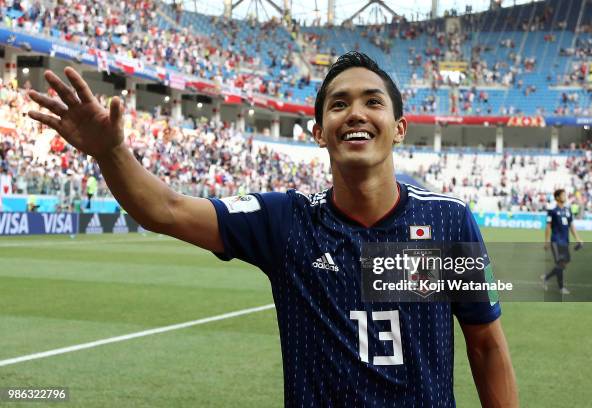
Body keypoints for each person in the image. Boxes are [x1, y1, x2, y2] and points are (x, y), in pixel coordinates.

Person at [27, 52, 518, 407]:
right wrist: (112, 153)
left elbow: (486, 343)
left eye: (373, 102)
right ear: (320, 132)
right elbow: (167, 208)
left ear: (399, 126)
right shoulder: (286, 220)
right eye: (339, 104)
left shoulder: (447, 220)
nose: (356, 114)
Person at [541, 189, 583, 295]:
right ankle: (561, 288)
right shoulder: (552, 211)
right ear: (557, 197)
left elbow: (571, 226)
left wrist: (578, 238)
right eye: (563, 195)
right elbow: (548, 226)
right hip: (555, 241)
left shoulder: (567, 210)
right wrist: (546, 241)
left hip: (565, 241)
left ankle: (546, 277)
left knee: (564, 263)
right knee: (560, 263)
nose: (565, 196)